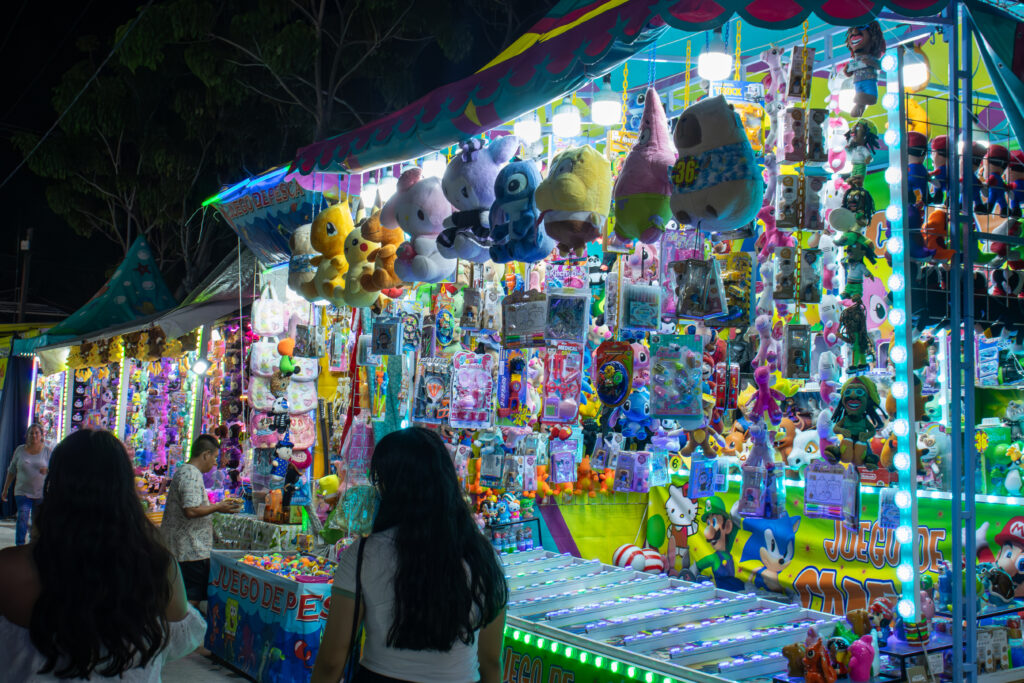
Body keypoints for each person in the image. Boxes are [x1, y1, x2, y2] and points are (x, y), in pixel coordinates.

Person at [0, 429, 205, 680]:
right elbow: (179, 641)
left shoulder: (9, 568)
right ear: (125, 490)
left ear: (56, 484)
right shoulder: (158, 567)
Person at [312, 427, 508, 683]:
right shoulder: (484, 558)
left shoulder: (363, 555)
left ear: (391, 487)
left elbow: (331, 660)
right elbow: (491, 661)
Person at [160, 434, 241, 608]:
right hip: (189, 551)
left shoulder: (186, 472)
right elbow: (191, 510)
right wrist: (218, 507)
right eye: (214, 457)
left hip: (184, 550)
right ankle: (185, 633)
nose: (214, 463)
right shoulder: (190, 474)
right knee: (189, 600)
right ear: (205, 454)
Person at [2, 423, 52, 546]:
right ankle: (19, 545)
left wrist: (48, 471)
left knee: (36, 521)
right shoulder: (20, 450)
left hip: (39, 492)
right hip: (22, 491)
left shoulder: (47, 451)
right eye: (31, 433)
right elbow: (12, 470)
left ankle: (33, 545)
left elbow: (56, 470)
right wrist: (5, 489)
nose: (34, 435)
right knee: (23, 517)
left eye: (36, 433)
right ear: (27, 435)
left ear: (41, 435)